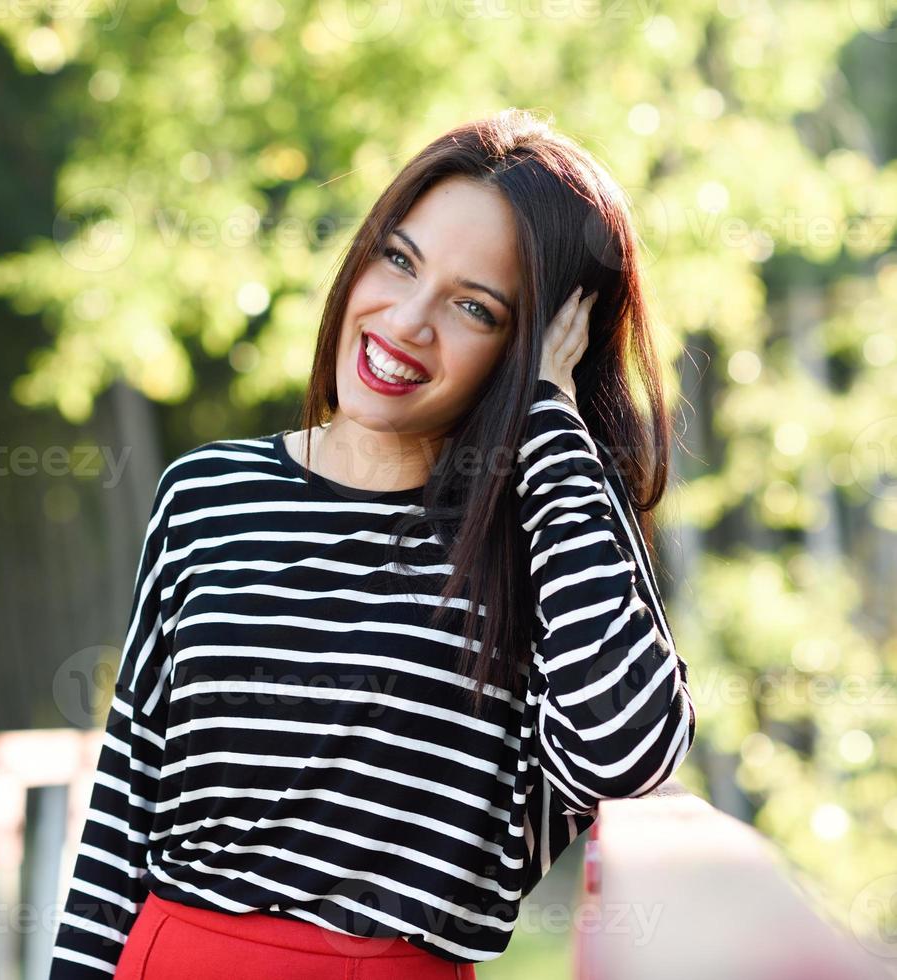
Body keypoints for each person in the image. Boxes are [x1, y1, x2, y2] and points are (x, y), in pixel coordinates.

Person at [47, 108, 696, 980]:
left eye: (474, 306)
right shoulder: (205, 496)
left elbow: (627, 754)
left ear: (532, 349)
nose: (407, 320)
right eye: (399, 259)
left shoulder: (542, 539)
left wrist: (549, 429)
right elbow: (122, 810)